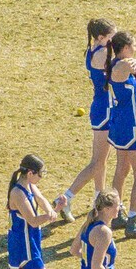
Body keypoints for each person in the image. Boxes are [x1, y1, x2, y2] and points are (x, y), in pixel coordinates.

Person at [53, 19, 115, 220]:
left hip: (100, 106)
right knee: (97, 162)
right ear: (100, 37)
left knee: (101, 160)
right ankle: (66, 198)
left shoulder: (94, 49)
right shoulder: (102, 54)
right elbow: (118, 74)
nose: (113, 41)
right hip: (105, 109)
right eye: (110, 37)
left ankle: (99, 199)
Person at [104, 31, 136, 238]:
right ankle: (133, 220)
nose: (135, 48)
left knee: (122, 170)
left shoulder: (119, 65)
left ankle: (116, 214)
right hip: (130, 127)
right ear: (124, 48)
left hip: (120, 126)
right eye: (133, 45)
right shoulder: (122, 65)